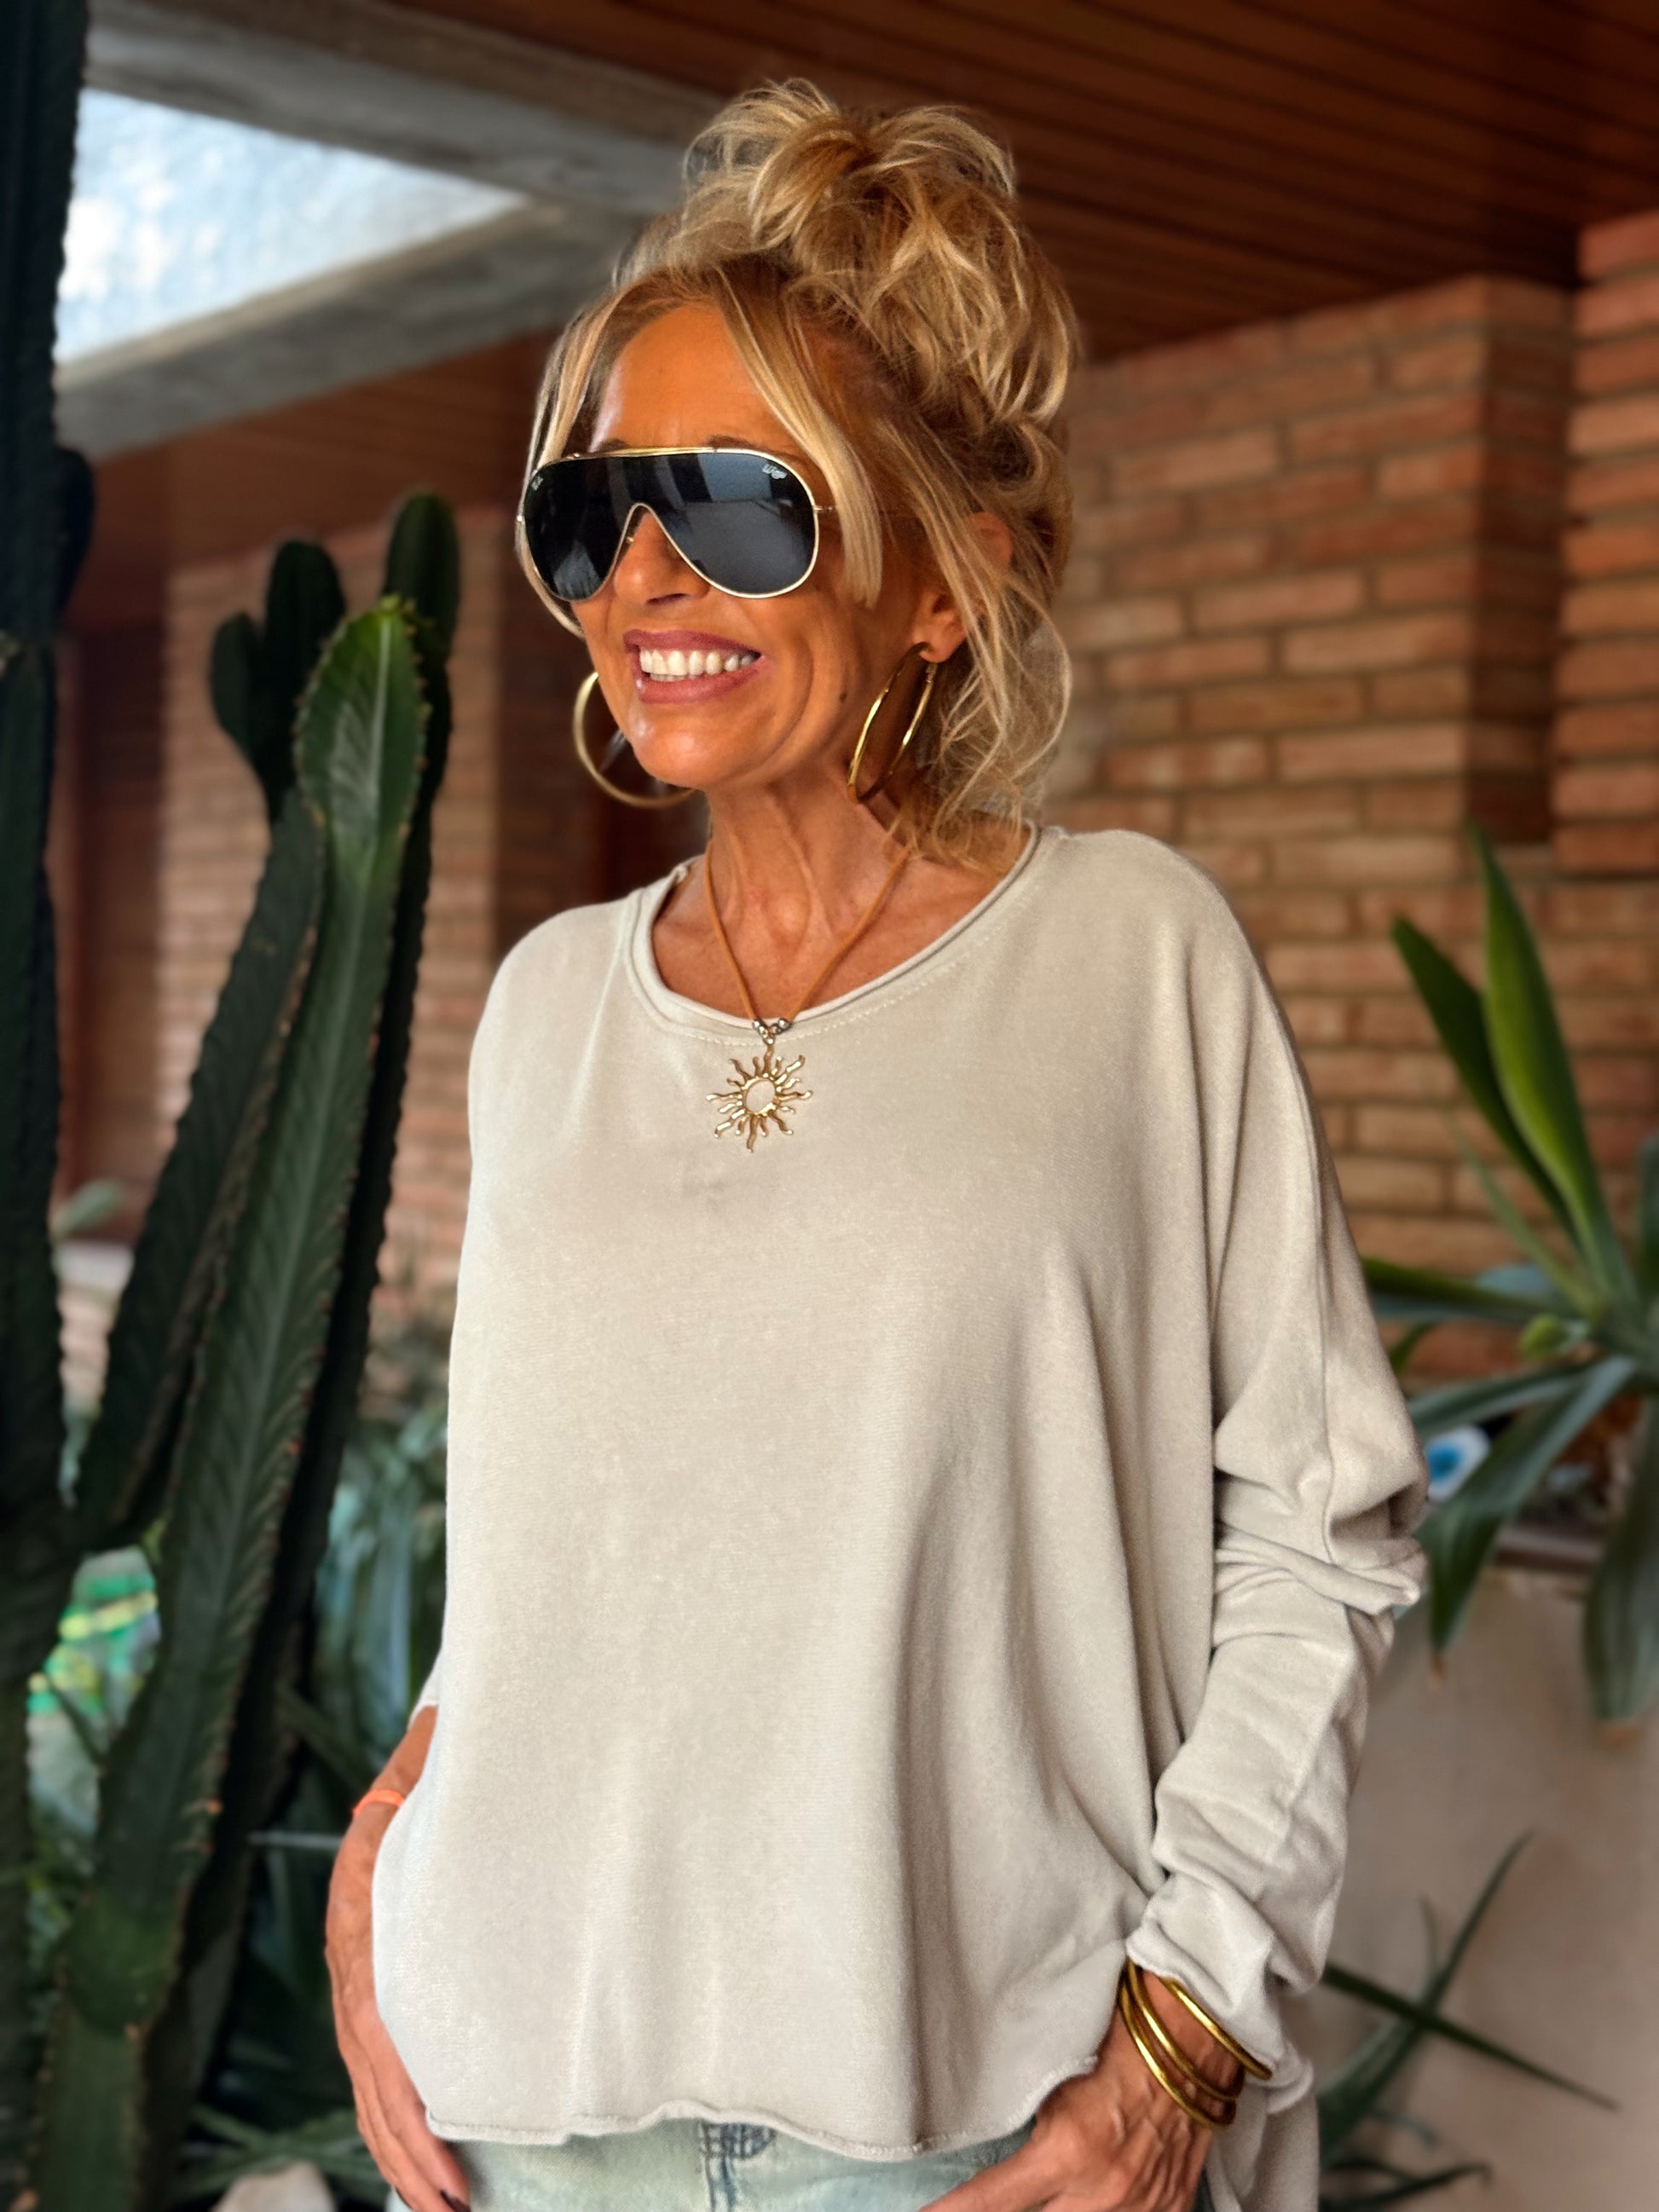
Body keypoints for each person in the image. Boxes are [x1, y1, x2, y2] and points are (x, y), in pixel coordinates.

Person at [326, 78, 1428, 2212]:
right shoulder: (546, 1006)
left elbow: (1318, 1537)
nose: (649, 571)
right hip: (513, 2109)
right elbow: (559, 1554)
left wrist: (1182, 2043)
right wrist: (390, 1858)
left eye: (739, 506)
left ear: (943, 580)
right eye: (595, 513)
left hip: (979, 2128)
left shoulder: (1134, 962)